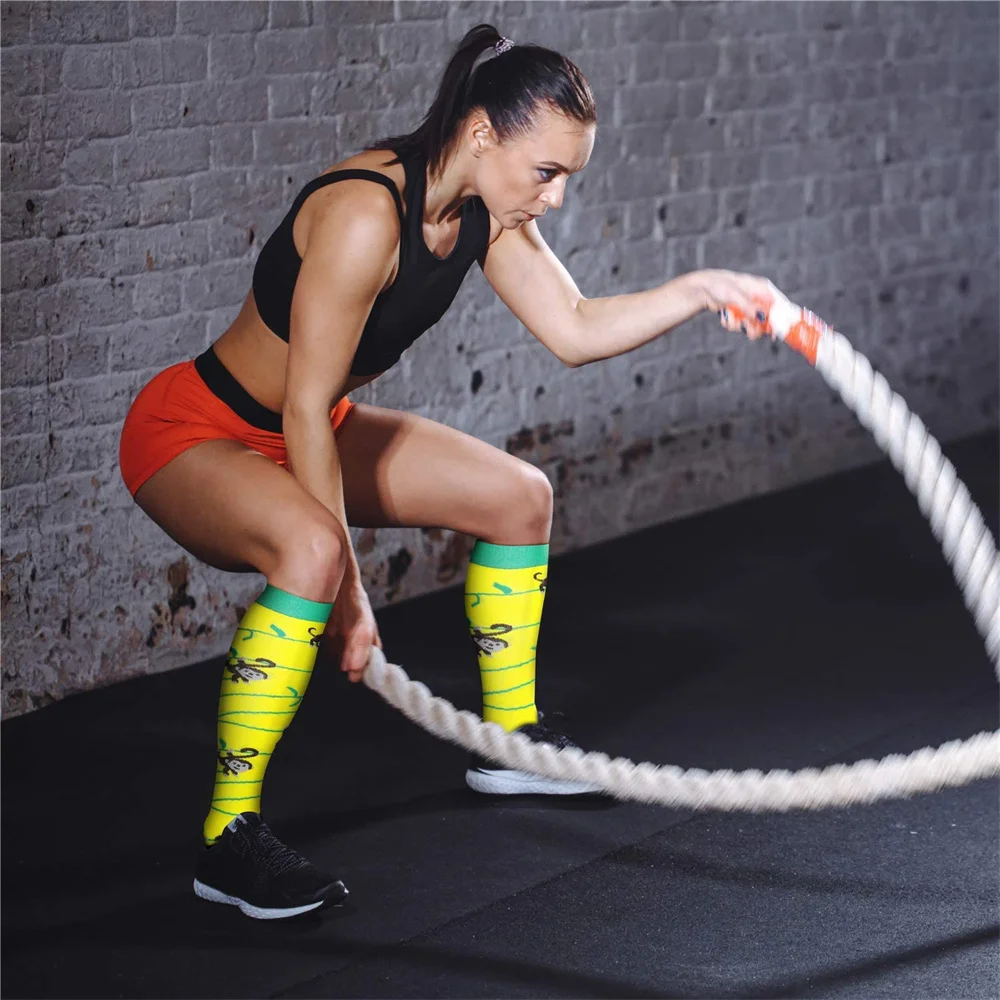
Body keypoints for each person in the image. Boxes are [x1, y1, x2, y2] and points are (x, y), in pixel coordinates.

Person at [118, 23, 773, 920]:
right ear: (481, 134)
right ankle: (228, 837)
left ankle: (510, 743)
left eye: (567, 177)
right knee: (314, 552)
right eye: (547, 172)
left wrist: (700, 290)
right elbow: (301, 408)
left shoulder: (482, 212)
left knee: (518, 497)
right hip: (198, 430)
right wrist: (351, 598)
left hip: (310, 425)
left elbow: (575, 329)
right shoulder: (364, 217)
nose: (555, 197)